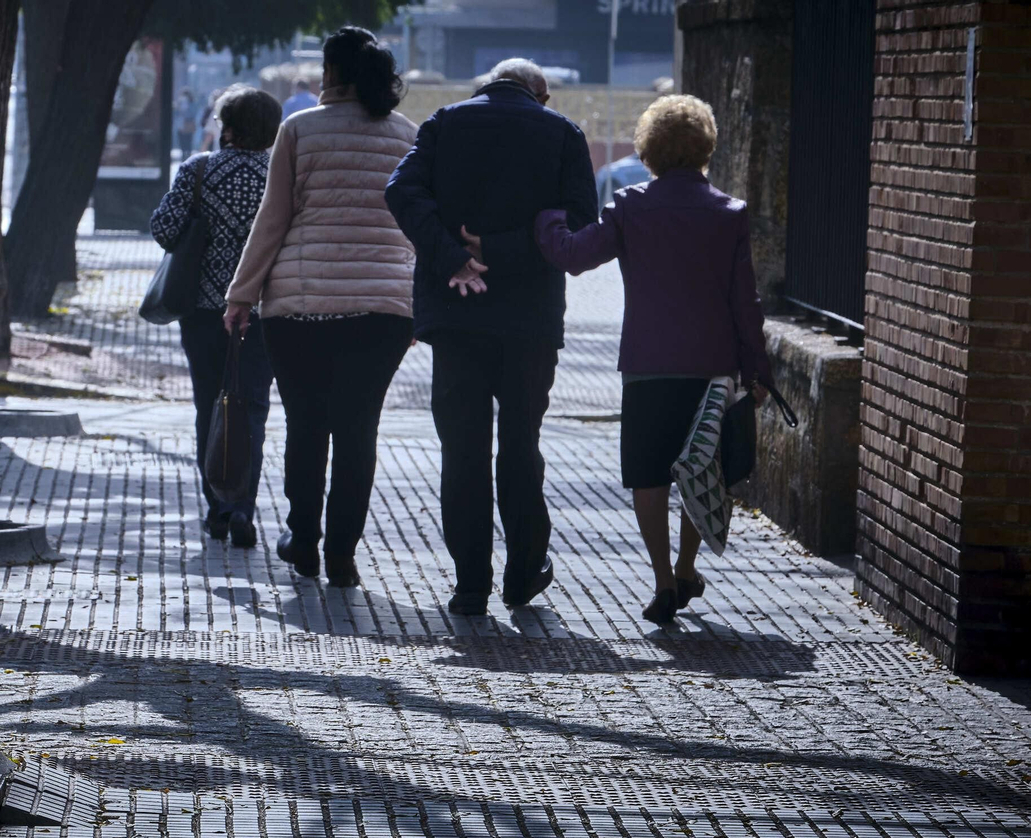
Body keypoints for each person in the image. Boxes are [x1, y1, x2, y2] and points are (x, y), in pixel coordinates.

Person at [532, 94, 772, 625]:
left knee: (649, 473)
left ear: (648, 151)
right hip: (712, 364)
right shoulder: (729, 214)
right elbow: (744, 300)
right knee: (702, 466)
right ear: (706, 146)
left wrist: (547, 217)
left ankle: (662, 577)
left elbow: (574, 256)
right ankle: (688, 566)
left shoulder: (631, 206)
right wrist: (758, 370)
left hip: (647, 360)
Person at [384, 58, 597, 616]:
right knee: (521, 445)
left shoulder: (444, 123)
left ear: (487, 85)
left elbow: (401, 192)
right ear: (540, 93)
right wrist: (501, 251)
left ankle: (469, 585)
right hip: (529, 319)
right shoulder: (562, 134)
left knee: (462, 450)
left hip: (458, 315)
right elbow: (579, 223)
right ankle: (525, 572)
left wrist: (454, 258)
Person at [224, 27, 418, 588]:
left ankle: (302, 537)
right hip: (382, 309)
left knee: (306, 425)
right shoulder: (406, 134)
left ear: (332, 73)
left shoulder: (300, 129)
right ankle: (342, 553)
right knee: (359, 431)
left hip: (298, 309)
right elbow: (414, 225)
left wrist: (242, 296)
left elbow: (273, 220)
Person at [150, 86, 284, 548]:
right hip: (266, 310)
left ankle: (218, 509)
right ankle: (243, 506)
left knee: (210, 404)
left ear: (226, 125)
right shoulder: (281, 175)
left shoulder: (199, 170)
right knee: (253, 407)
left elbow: (164, 230)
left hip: (205, 309)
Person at [174, 88, 198, 160]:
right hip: (182, 125)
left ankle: (187, 155)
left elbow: (192, 113)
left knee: (186, 141)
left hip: (187, 125)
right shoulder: (180, 102)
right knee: (184, 141)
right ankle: (185, 154)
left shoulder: (191, 103)